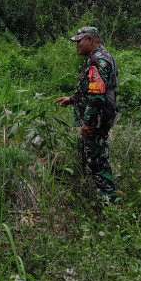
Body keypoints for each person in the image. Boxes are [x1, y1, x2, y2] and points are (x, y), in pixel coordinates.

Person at [55, 26, 119, 203]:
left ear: (90, 40)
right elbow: (93, 89)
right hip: (100, 115)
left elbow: (97, 96)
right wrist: (72, 99)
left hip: (97, 118)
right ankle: (83, 186)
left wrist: (88, 124)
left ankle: (108, 202)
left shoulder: (97, 61)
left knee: (97, 160)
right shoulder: (102, 57)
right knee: (84, 150)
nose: (76, 45)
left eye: (79, 41)